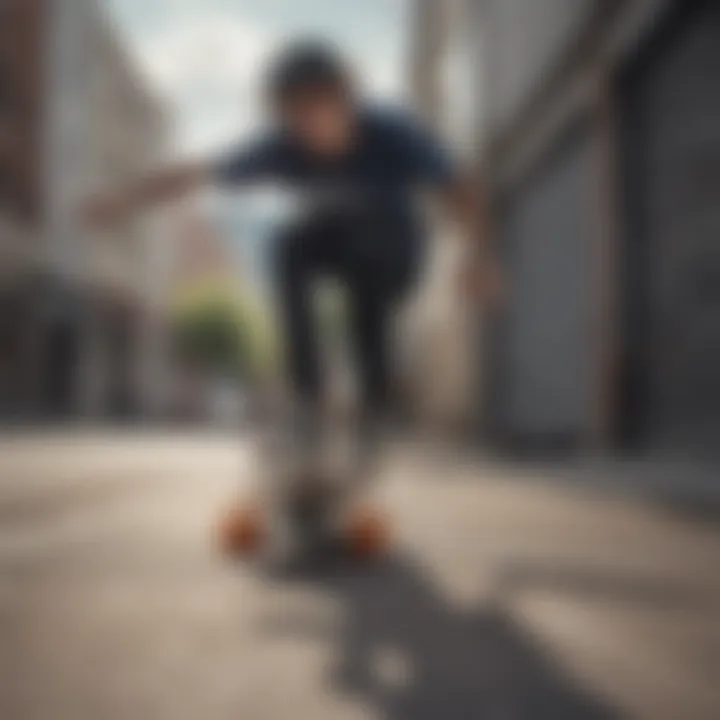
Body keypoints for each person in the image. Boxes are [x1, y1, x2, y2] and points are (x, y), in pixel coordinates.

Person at [83, 38, 501, 470]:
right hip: (332, 242)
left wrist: (479, 255)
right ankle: (308, 399)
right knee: (291, 244)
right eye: (294, 113)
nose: (308, 125)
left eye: (317, 107)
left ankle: (374, 409)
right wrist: (122, 202)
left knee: (367, 310)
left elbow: (461, 186)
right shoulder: (281, 146)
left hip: (394, 252)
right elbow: (194, 173)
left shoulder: (391, 133)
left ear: (345, 98)